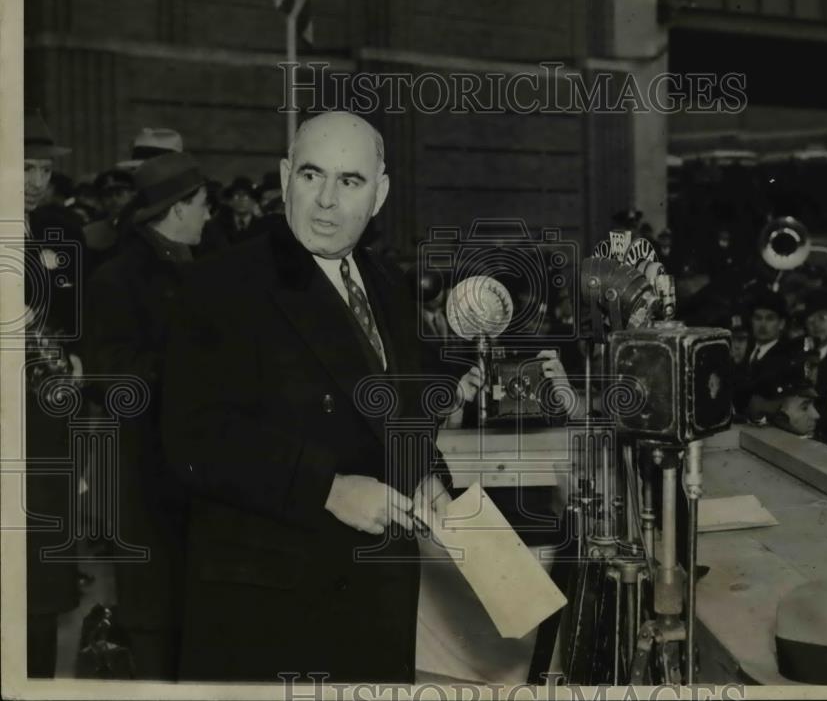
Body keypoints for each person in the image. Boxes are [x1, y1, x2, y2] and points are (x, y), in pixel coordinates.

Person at [160, 112, 483, 682]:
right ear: (286, 177)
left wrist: (426, 479)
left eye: (350, 181)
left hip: (374, 600)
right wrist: (326, 488)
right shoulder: (219, 285)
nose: (327, 201)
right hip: (271, 611)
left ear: (379, 194)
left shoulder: (385, 284)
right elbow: (192, 439)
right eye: (312, 176)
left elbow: (398, 415)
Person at [84, 152, 211, 679]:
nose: (209, 216)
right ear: (178, 209)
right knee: (155, 619)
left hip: (192, 471)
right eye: (203, 206)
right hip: (145, 472)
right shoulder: (119, 278)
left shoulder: (199, 270)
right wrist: (190, 367)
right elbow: (109, 375)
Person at [23, 110, 82, 677]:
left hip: (41, 419)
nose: (37, 179)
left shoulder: (41, 233)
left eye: (43, 168)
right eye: (24, 166)